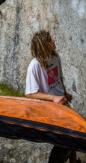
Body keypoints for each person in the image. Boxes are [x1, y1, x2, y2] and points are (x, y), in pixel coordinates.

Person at [25, 30, 78, 163]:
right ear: (43, 45)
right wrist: (53, 98)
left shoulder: (55, 57)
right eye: (49, 40)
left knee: (74, 131)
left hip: (62, 102)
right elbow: (30, 93)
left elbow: (59, 78)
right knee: (66, 137)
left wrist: (64, 93)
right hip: (50, 108)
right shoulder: (34, 66)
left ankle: (74, 160)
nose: (53, 41)